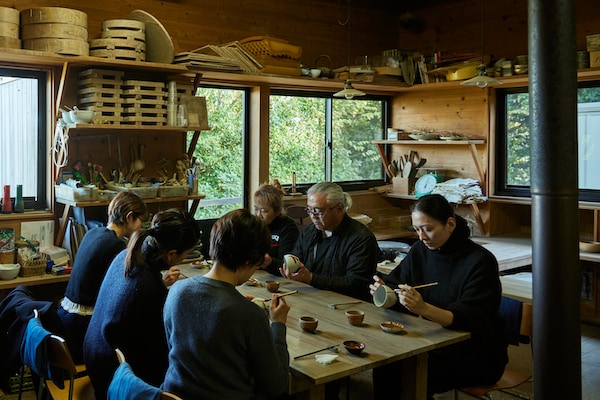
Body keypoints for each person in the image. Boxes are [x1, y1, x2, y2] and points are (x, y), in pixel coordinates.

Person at [369, 194, 508, 398]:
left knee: (403, 371)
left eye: (428, 228)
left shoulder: (480, 261)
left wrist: (423, 308)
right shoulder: (420, 250)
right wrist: (387, 292)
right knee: (386, 363)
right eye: (416, 229)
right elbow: (397, 283)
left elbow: (470, 320)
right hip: (433, 339)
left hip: (474, 352)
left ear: (450, 224)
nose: (421, 237)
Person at [162, 209, 290, 400]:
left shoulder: (176, 291)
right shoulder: (250, 315)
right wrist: (278, 324)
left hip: (173, 394)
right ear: (248, 261)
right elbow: (276, 385)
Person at [84, 208, 200, 400]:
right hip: (113, 378)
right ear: (171, 254)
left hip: (96, 356)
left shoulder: (127, 255)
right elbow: (160, 349)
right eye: (185, 254)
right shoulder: (149, 286)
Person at [57, 191, 148, 363]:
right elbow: (126, 288)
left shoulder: (93, 233)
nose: (141, 227)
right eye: (141, 221)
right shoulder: (117, 246)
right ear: (129, 217)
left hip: (64, 318)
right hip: (80, 327)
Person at [279, 182, 378, 301]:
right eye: (310, 210)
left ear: (339, 209)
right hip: (311, 297)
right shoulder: (310, 231)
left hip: (347, 303)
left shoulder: (361, 238)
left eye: (318, 211)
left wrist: (311, 279)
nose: (313, 216)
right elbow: (296, 261)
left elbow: (356, 283)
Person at [253, 183, 299, 275]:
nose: (258, 215)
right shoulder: (253, 224)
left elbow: (289, 265)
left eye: (264, 211)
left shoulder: (288, 227)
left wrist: (270, 262)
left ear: (277, 211)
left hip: (279, 277)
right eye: (256, 209)